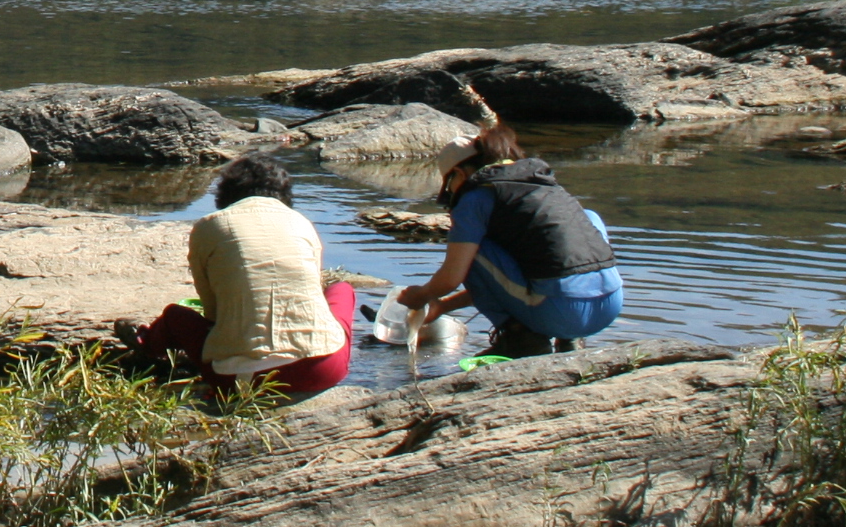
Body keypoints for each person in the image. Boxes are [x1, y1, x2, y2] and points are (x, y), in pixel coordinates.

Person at [131, 154, 355, 400]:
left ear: (224, 193)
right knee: (342, 290)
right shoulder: (301, 223)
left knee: (175, 316)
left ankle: (146, 345)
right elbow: (313, 289)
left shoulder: (210, 226)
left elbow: (212, 312)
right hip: (322, 370)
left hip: (240, 380)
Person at [397, 124, 624, 359]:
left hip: (559, 311)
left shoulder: (474, 197)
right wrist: (443, 307)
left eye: (448, 189)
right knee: (589, 218)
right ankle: (570, 340)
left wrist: (421, 296)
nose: (451, 195)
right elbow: (504, 282)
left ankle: (522, 339)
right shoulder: (545, 187)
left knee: (473, 248)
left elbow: (452, 277)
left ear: (460, 174)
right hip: (610, 305)